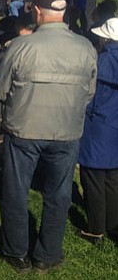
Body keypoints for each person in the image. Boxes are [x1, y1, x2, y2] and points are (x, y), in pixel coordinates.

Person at [0, 0, 97, 274]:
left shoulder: (19, 47)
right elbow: (89, 92)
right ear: (63, 12)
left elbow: (1, 90)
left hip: (24, 129)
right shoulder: (85, 47)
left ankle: (16, 253)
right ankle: (47, 254)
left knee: (16, 191)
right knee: (59, 194)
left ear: (37, 12)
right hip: (66, 131)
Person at [77, 17, 118, 244]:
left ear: (105, 38)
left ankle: (95, 229)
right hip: (115, 125)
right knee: (112, 178)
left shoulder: (102, 61)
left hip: (98, 126)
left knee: (92, 178)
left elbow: (89, 95)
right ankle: (113, 223)